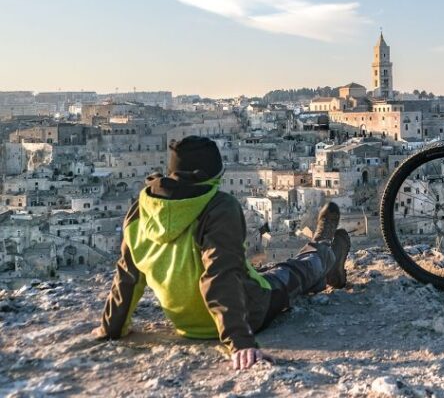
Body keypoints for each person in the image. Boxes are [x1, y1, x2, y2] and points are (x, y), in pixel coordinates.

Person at [94, 136, 351, 370]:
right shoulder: (218, 206)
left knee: (265, 271)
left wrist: (111, 328)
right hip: (248, 311)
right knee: (295, 273)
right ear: (214, 175)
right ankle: (326, 247)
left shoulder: (141, 208)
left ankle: (329, 261)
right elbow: (220, 276)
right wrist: (239, 341)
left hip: (187, 324)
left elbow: (128, 277)